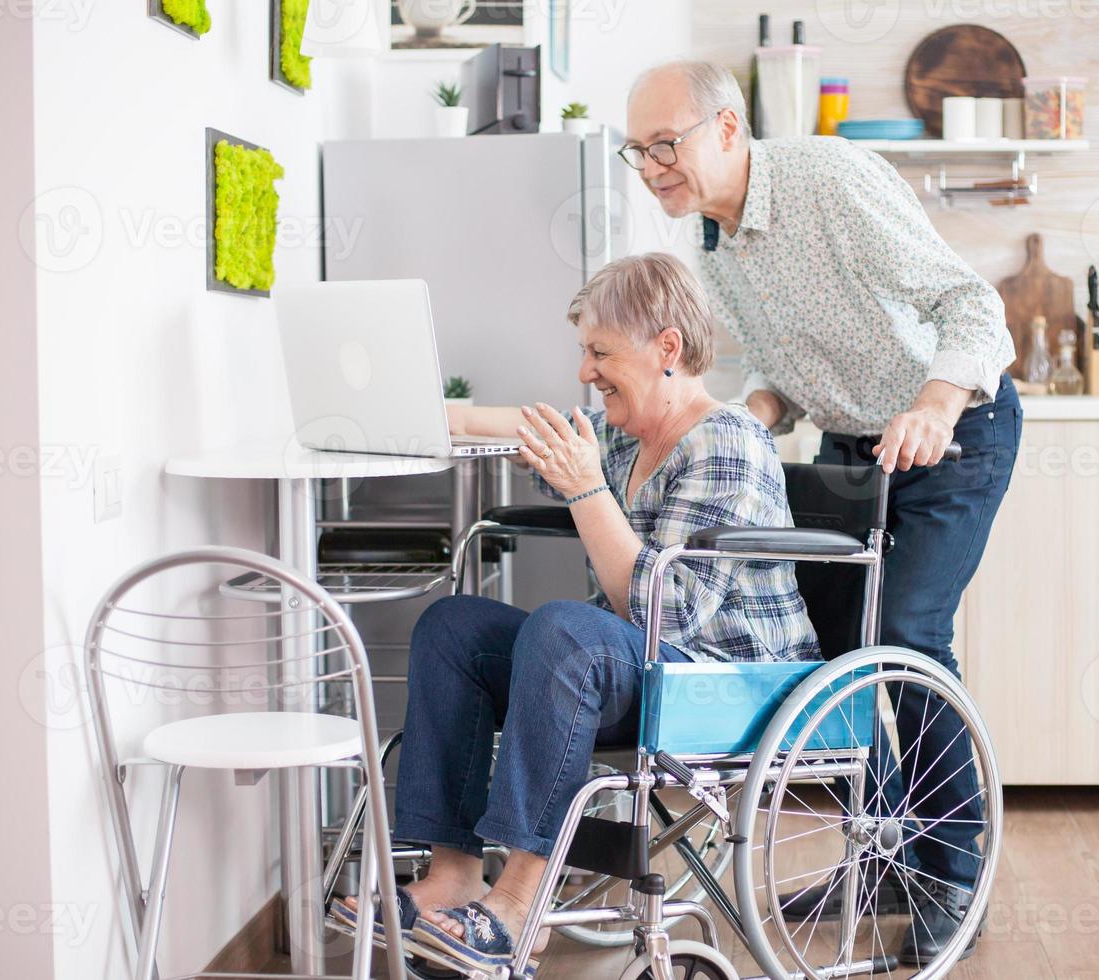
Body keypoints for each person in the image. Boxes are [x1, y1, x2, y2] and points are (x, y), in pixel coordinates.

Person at [623, 61, 1022, 962]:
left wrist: (933, 403)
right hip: (856, 452)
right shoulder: (712, 252)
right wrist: (738, 421)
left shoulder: (832, 182)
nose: (650, 168)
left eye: (665, 146)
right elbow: (787, 380)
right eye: (637, 151)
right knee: (839, 653)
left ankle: (955, 872)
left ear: (727, 130)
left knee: (909, 637)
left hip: (956, 430)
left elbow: (972, 305)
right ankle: (885, 857)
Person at [337, 252, 820, 975]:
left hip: (724, 685)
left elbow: (670, 612)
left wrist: (588, 490)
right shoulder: (623, 433)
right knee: (454, 630)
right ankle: (450, 877)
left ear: (667, 348)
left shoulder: (728, 442)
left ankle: (518, 907)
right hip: (633, 669)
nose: (585, 371)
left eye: (600, 353)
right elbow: (486, 419)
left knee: (566, 631)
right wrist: (369, 413)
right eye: (583, 352)